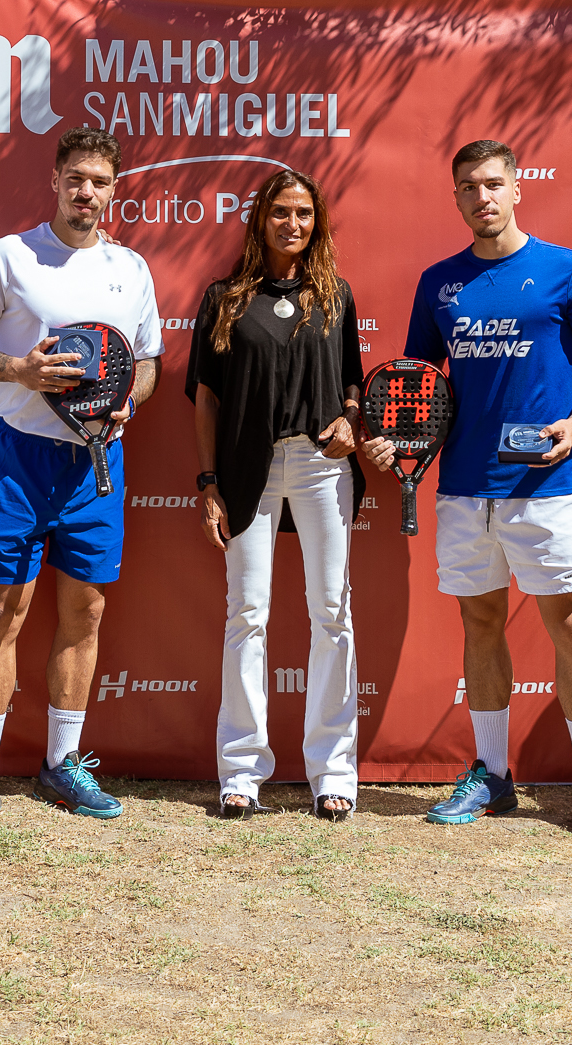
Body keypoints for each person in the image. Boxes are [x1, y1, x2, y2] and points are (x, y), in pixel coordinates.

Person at [362, 138, 572, 843]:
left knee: (569, 626)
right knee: (479, 625)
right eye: (468, 186)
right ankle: (492, 773)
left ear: (517, 189)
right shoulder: (439, 283)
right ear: (455, 197)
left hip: (548, 485)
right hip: (463, 488)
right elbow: (416, 389)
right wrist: (394, 441)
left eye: (492, 183)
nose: (481, 197)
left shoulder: (566, 269)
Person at [0, 126, 163, 838]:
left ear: (114, 190)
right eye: (76, 178)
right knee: (4, 610)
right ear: (55, 180)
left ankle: (62, 762)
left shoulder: (131, 268)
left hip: (97, 463)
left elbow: (147, 361)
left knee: (85, 612)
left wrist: (132, 402)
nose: (86, 192)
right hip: (20, 458)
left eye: (100, 181)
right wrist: (18, 370)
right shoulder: (9, 256)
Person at [188, 168, 365, 821]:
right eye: (281, 212)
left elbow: (352, 381)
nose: (293, 223)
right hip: (247, 469)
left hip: (321, 465)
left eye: (304, 213)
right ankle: (241, 771)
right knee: (247, 612)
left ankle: (333, 772)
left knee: (332, 612)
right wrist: (209, 482)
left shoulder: (335, 296)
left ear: (317, 223)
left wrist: (351, 418)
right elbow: (206, 398)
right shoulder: (225, 298)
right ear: (260, 219)